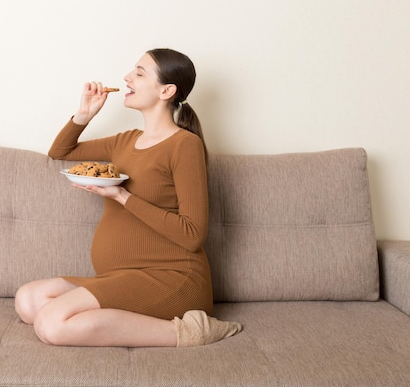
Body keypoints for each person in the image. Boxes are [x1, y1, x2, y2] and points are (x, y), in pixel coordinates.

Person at [14, 48, 242, 347]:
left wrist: (123, 196)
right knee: (29, 300)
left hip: (172, 278)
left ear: (166, 90)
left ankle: (192, 331)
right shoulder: (126, 140)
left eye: (139, 72)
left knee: (51, 323)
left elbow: (192, 234)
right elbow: (61, 152)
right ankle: (120, 318)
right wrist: (84, 114)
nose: (126, 77)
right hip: (121, 277)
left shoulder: (184, 145)